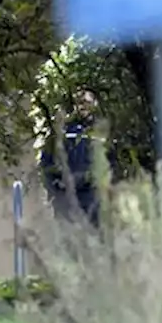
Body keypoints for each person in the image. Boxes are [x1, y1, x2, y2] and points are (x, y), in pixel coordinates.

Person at [40, 89, 107, 226]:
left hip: (93, 201)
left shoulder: (102, 132)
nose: (83, 106)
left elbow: (111, 164)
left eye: (87, 102)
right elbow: (46, 165)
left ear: (95, 104)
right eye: (80, 102)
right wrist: (56, 190)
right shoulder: (61, 131)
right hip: (66, 201)